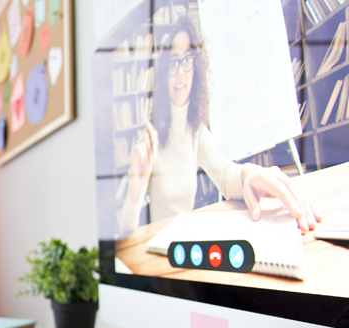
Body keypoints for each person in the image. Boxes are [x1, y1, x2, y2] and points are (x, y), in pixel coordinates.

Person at [119, 15, 321, 234]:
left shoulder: (198, 135)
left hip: (183, 243)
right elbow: (125, 228)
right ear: (164, 73)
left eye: (187, 60)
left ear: (195, 68)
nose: (179, 72)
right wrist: (135, 188)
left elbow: (225, 176)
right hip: (156, 249)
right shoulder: (150, 141)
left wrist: (249, 174)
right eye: (173, 62)